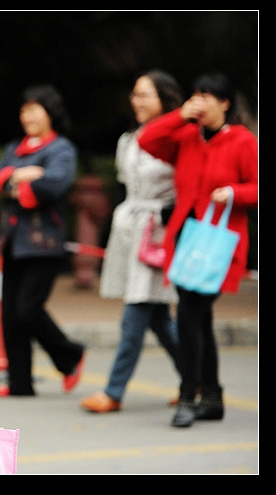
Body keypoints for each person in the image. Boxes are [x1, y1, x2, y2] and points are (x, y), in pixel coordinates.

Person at [137, 72, 258, 428]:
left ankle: (189, 395)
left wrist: (233, 192)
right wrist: (180, 115)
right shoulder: (187, 135)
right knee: (199, 320)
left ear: (225, 103)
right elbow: (148, 139)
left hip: (220, 246)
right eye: (196, 95)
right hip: (186, 242)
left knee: (189, 316)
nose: (200, 102)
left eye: (208, 96)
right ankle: (214, 398)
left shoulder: (242, 140)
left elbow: (256, 185)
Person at [80, 70, 184, 413]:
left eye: (145, 95)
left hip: (159, 231)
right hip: (132, 229)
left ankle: (114, 390)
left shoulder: (180, 136)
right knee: (156, 315)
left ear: (165, 99)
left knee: (136, 312)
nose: (136, 101)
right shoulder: (128, 139)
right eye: (135, 95)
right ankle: (196, 377)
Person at [0, 84, 85, 397]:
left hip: (44, 243)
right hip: (13, 241)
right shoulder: (16, 147)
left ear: (50, 112)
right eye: (24, 109)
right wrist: (24, 175)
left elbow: (54, 185)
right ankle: (20, 383)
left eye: (34, 108)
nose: (26, 114)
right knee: (11, 317)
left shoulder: (62, 149)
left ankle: (70, 355)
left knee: (28, 310)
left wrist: (21, 183)